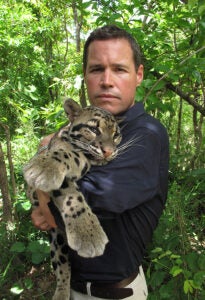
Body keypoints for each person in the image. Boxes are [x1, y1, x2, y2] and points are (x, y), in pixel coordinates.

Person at [31, 25, 169, 300]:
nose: (107, 81)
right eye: (96, 70)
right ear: (85, 76)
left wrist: (42, 187)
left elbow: (87, 201)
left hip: (116, 293)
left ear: (138, 74)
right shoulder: (82, 125)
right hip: (72, 286)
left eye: (119, 69)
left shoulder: (145, 135)